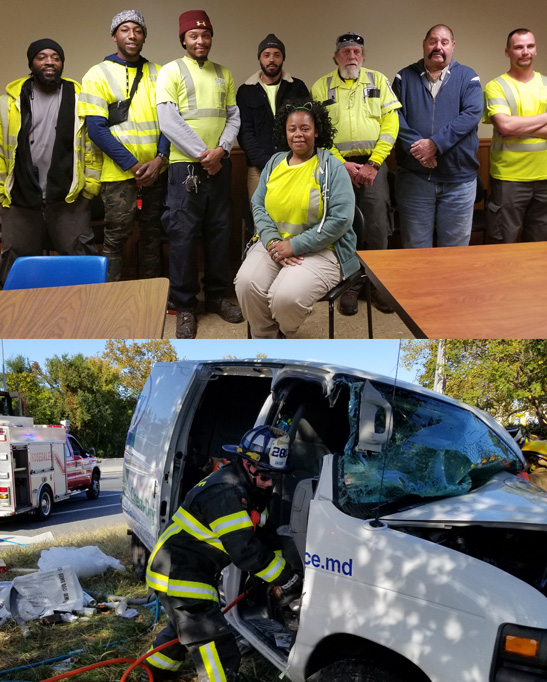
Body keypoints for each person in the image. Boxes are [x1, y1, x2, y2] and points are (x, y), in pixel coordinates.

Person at [144, 425, 302, 682]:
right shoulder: (226, 492)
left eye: (276, 476)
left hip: (186, 569)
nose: (270, 482)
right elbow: (245, 551)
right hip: (179, 573)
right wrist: (286, 579)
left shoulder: (248, 490)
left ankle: (151, 674)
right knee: (216, 643)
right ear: (248, 465)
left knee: (183, 630)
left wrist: (281, 572)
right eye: (265, 475)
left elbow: (265, 534)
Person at [235, 99, 359, 339]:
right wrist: (272, 242)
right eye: (292, 129)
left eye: (305, 128)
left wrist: (293, 246)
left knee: (285, 298)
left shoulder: (331, 167)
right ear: (285, 131)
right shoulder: (274, 163)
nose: (298, 135)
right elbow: (258, 205)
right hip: (274, 243)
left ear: (317, 131)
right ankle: (267, 340)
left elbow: (341, 219)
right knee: (246, 284)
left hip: (324, 248)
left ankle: (285, 331)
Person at [156, 10, 243, 339]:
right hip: (184, 169)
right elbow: (168, 120)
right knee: (183, 238)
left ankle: (219, 296)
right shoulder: (170, 71)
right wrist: (203, 154)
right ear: (183, 39)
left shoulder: (224, 74)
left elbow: (233, 117)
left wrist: (220, 150)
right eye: (193, 36)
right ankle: (186, 306)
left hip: (220, 165)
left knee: (221, 233)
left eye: (205, 35)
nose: (200, 41)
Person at [311, 31, 400, 316]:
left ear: (363, 56)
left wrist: (374, 163)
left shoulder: (379, 81)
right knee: (343, 227)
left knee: (376, 226)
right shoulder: (320, 86)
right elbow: (318, 132)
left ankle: (377, 285)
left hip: (375, 165)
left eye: (357, 52)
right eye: (346, 51)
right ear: (335, 56)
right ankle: (349, 284)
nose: (352, 56)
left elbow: (391, 123)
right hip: (337, 167)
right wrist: (341, 164)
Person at [0, 39, 101, 285]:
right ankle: (14, 318)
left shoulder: (79, 99)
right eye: (42, 57)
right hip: (19, 197)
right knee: (15, 261)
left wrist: (89, 188)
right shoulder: (7, 103)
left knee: (81, 256)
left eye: (55, 57)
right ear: (31, 63)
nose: (49, 62)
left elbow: (92, 147)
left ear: (62, 63)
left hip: (68, 195)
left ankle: (89, 315)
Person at [79, 10, 169, 282]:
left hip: (157, 173)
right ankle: (112, 297)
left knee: (153, 233)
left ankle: (154, 295)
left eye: (138, 30)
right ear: (114, 35)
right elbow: (96, 129)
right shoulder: (96, 74)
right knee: (116, 238)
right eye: (125, 30)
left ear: (144, 36)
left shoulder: (159, 72)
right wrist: (132, 164)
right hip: (119, 176)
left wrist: (160, 159)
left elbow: (169, 121)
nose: (132, 35)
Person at [393, 24, 483, 249]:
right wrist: (420, 151)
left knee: (454, 252)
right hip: (415, 180)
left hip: (458, 182)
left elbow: (471, 115)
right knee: (415, 249)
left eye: (444, 42)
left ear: (452, 46)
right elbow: (394, 119)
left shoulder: (468, 77)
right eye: (433, 41)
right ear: (424, 45)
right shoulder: (403, 78)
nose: (438, 47)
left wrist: (434, 144)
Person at [483, 29, 547, 243]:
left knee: (539, 248)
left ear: (536, 50)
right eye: (519, 47)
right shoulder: (496, 86)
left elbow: (510, 126)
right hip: (509, 179)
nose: (525, 51)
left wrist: (516, 127)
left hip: (544, 177)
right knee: (502, 244)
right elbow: (505, 125)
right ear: (507, 52)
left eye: (530, 46)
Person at [236, 33, 309, 200]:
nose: (271, 60)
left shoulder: (297, 87)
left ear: (283, 58)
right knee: (261, 220)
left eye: (277, 55)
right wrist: (267, 164)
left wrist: (294, 159)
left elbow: (307, 127)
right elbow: (245, 133)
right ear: (259, 58)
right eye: (266, 55)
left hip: (296, 164)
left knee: (297, 217)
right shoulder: (246, 91)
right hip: (258, 169)